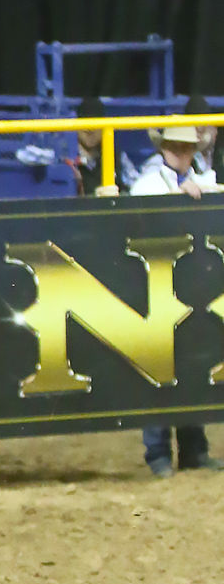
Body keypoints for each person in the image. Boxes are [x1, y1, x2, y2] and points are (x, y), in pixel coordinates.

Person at [128, 124, 221, 476]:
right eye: (177, 147)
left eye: (188, 147)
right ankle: (158, 453)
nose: (183, 153)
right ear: (165, 147)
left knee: (191, 366)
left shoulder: (199, 179)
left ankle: (193, 449)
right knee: (159, 369)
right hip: (156, 285)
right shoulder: (149, 183)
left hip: (191, 286)